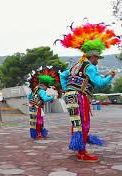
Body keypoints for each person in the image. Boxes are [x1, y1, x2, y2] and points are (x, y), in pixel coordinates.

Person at [59, 23, 119, 162]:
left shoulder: (76, 65)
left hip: (70, 97)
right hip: (80, 97)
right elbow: (100, 83)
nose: (97, 60)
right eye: (97, 58)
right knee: (84, 123)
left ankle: (78, 146)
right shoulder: (90, 67)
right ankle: (82, 153)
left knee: (76, 123)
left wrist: (66, 89)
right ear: (92, 56)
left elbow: (63, 75)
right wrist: (110, 76)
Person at [27, 66, 60, 140]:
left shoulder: (35, 88)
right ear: (44, 85)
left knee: (33, 121)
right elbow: (45, 99)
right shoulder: (42, 91)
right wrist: (52, 97)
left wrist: (32, 101)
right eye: (47, 87)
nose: (46, 89)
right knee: (39, 121)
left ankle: (34, 134)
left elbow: (29, 96)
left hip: (31, 106)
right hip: (37, 108)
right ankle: (39, 134)